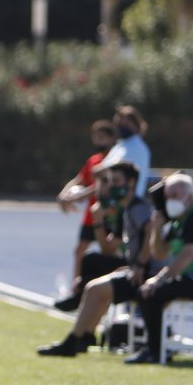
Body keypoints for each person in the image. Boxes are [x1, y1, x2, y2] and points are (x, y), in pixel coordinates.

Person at [38, 162, 166, 357]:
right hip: (134, 268)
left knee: (94, 289)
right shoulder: (125, 209)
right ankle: (84, 335)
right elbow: (107, 248)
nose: (111, 186)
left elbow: (151, 230)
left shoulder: (138, 207)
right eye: (109, 181)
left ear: (131, 183)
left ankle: (74, 341)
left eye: (116, 181)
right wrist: (97, 220)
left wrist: (139, 264)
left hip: (147, 274)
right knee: (93, 266)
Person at [126, 173, 193, 364]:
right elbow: (160, 253)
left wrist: (160, 279)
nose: (169, 200)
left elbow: (187, 255)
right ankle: (156, 347)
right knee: (147, 293)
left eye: (174, 195)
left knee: (153, 293)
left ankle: (156, 351)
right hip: (191, 279)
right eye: (167, 196)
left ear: (189, 197)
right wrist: (156, 228)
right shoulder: (180, 220)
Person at [55, 119, 118, 304]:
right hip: (91, 214)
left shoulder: (114, 160)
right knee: (80, 251)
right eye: (96, 137)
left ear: (112, 138)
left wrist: (76, 197)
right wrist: (64, 194)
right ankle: (77, 290)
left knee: (109, 252)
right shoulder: (93, 159)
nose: (99, 141)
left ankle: (108, 291)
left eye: (103, 137)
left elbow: (99, 186)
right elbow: (80, 179)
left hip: (108, 213)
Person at [94, 105, 151, 192]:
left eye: (126, 124)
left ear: (135, 124)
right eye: (119, 124)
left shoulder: (138, 148)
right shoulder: (120, 146)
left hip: (129, 201)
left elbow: (110, 170)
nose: (122, 127)